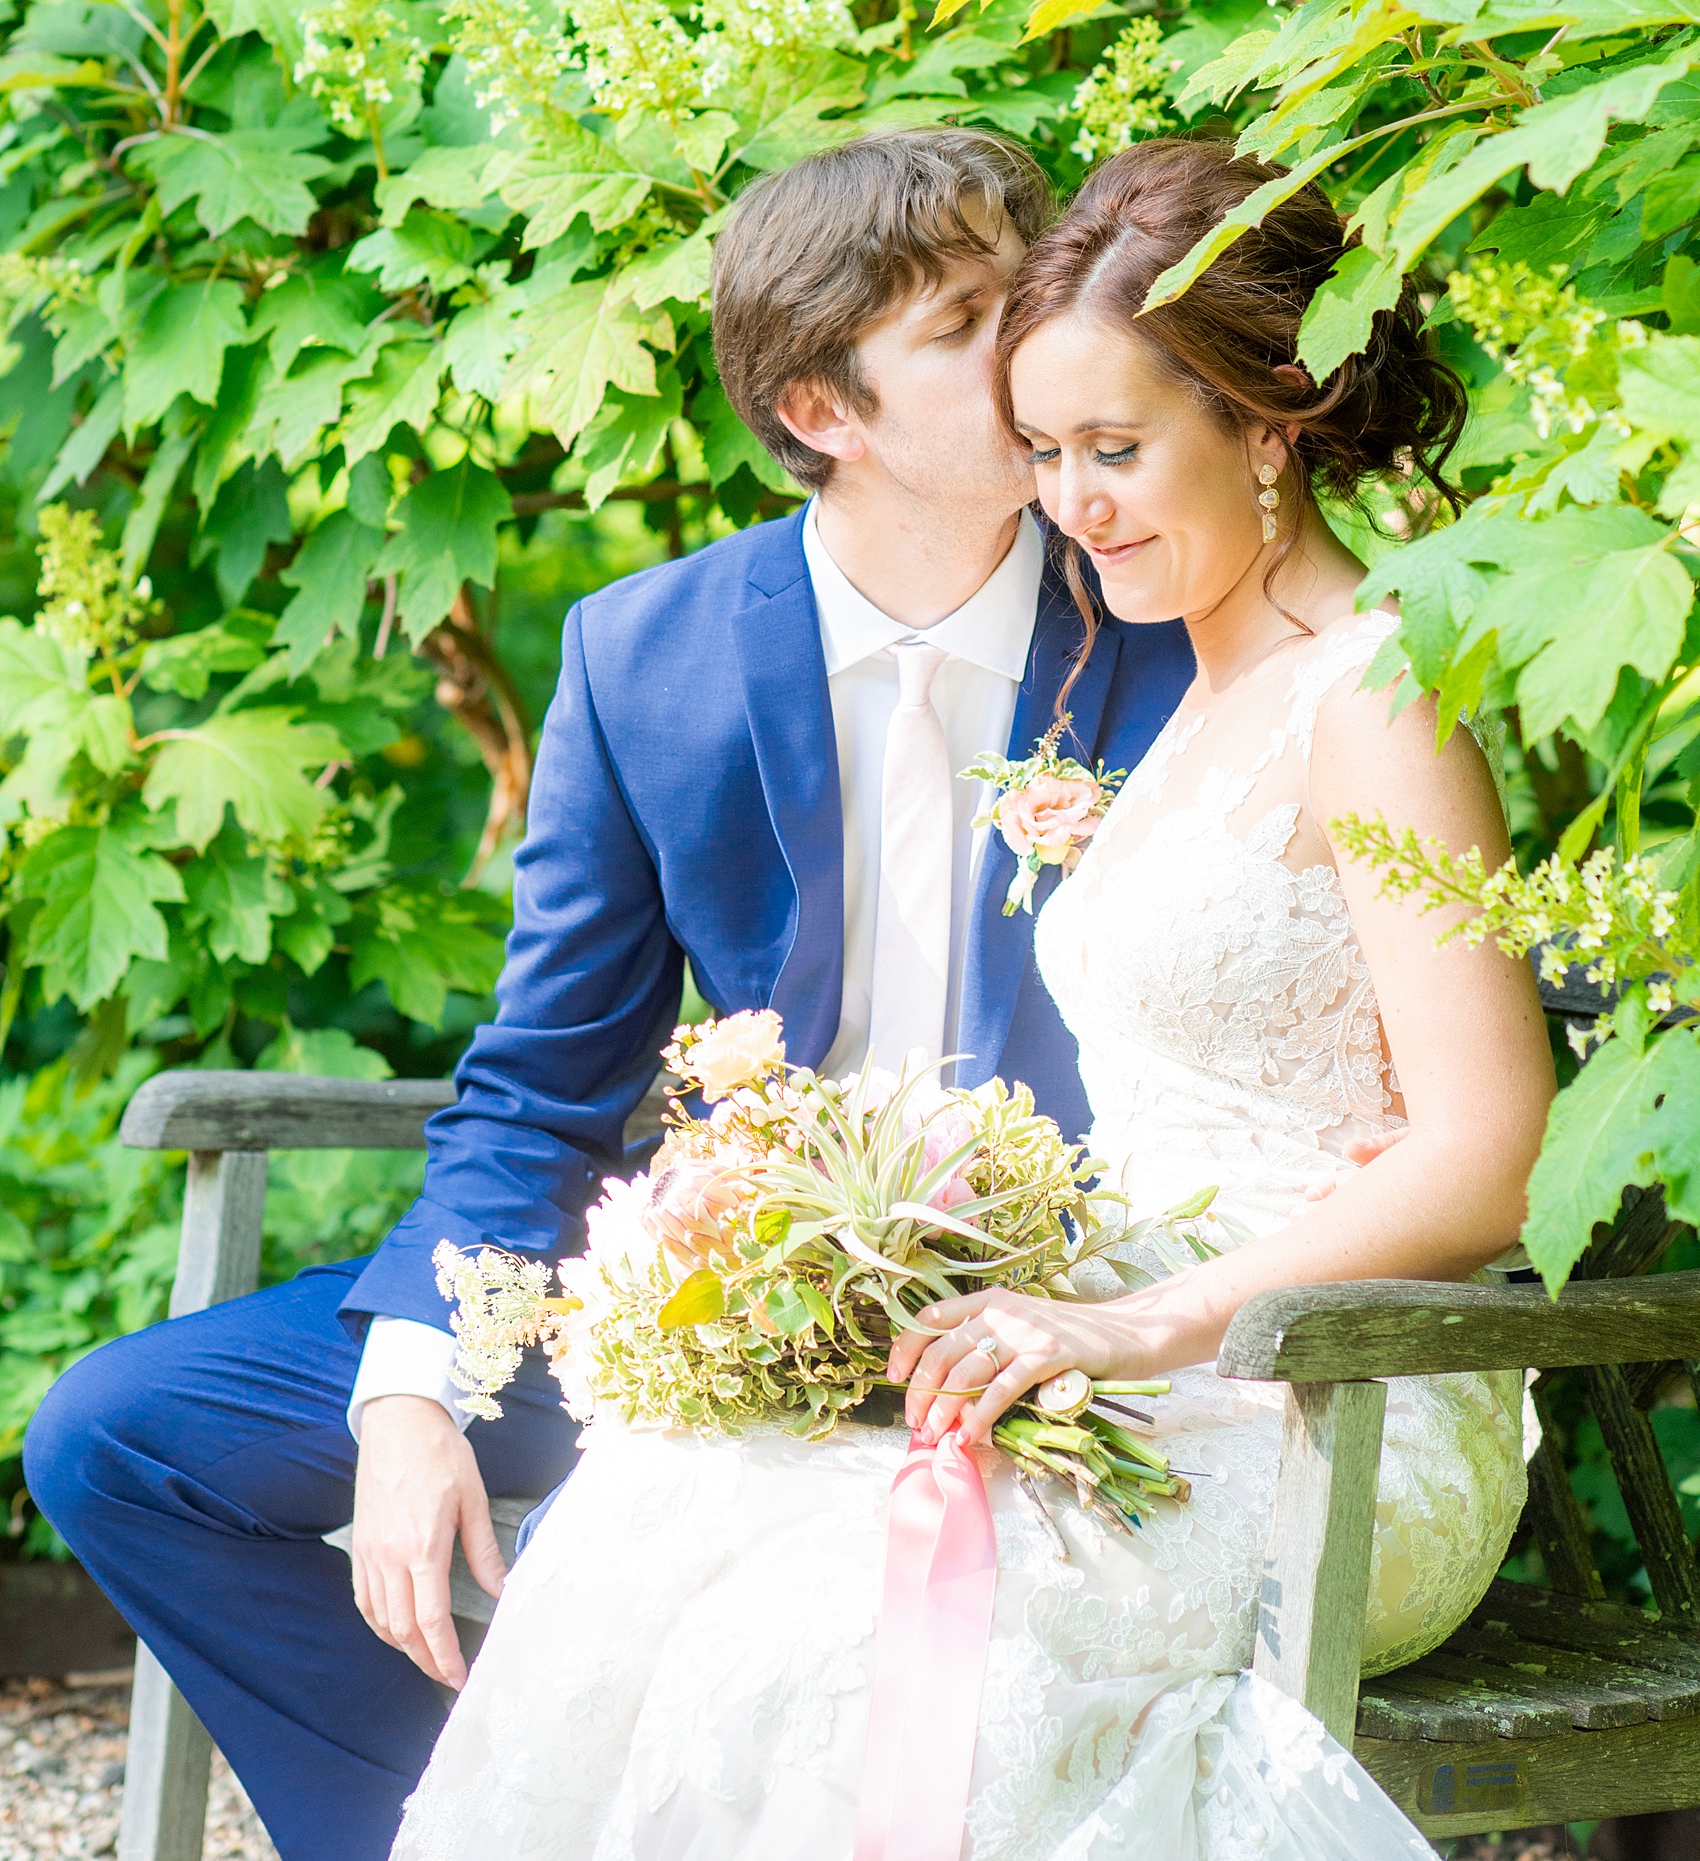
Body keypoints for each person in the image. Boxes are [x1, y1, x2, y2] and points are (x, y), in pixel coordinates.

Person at [23, 127, 1196, 1861]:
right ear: (821, 409)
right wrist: (417, 1388)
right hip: (717, 1315)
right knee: (121, 1438)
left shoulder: (1169, 613)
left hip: (1060, 1332)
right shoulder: (644, 652)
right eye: (962, 325)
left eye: (1020, 300)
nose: (1028, 353)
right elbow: (543, 1080)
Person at [389, 138, 1555, 1861]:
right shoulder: (1175, 682)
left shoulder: (1375, 688)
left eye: (1117, 449)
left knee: (833, 1642)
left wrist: (1134, 1328)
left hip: (1337, 1399)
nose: (1073, 504)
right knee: (666, 1523)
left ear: (1269, 421)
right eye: (1047, 450)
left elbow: (1495, 1146)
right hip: (1129, 1354)